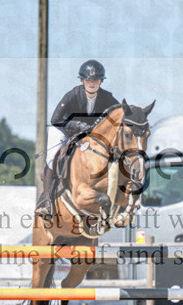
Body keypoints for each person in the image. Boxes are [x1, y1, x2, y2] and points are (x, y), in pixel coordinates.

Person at [36, 60, 120, 218]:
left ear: (101, 81)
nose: (92, 83)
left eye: (95, 80)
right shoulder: (73, 95)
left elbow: (120, 112)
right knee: (52, 158)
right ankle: (47, 202)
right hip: (62, 129)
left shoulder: (107, 97)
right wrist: (76, 125)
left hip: (86, 134)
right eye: (88, 80)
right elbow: (55, 119)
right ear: (82, 80)